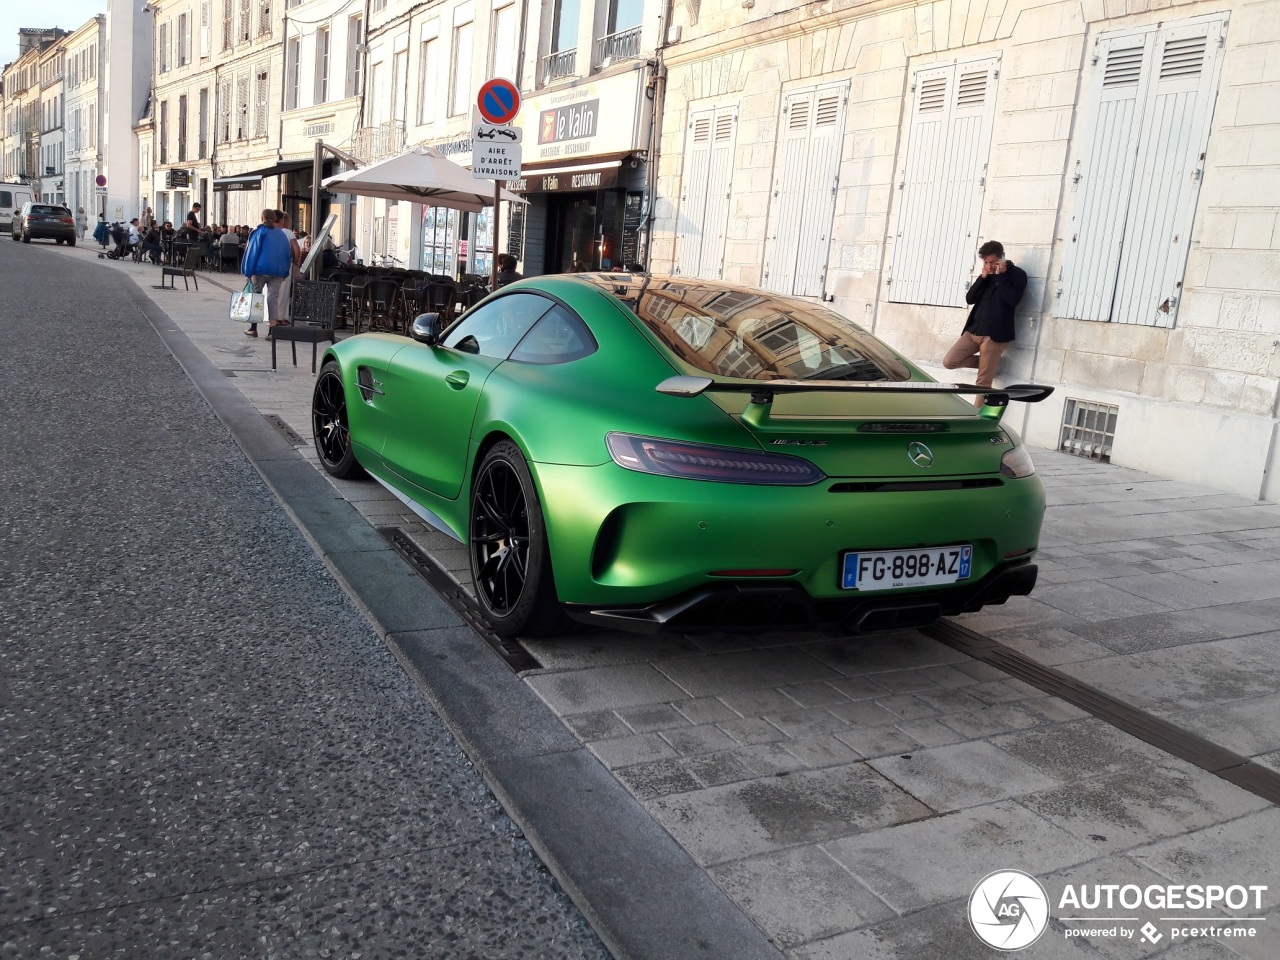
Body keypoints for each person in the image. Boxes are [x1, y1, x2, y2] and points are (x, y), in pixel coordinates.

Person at [942, 240, 1028, 399]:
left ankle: (977, 417)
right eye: (986, 262)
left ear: (1002, 258)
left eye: (993, 262)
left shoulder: (1017, 274)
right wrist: (982, 278)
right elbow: (970, 299)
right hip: (973, 330)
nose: (989, 266)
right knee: (949, 361)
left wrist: (1000, 277)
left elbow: (1013, 300)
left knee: (983, 382)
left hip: (994, 335)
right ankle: (994, 364)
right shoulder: (986, 276)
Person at [241, 208, 293, 338]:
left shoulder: (258, 232)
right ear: (276, 219)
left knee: (256, 297)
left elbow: (252, 252)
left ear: (261, 218)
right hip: (278, 272)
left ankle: (254, 328)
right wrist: (285, 272)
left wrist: (248, 272)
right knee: (272, 298)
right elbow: (287, 254)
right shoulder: (282, 234)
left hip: (260, 270)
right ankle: (272, 331)